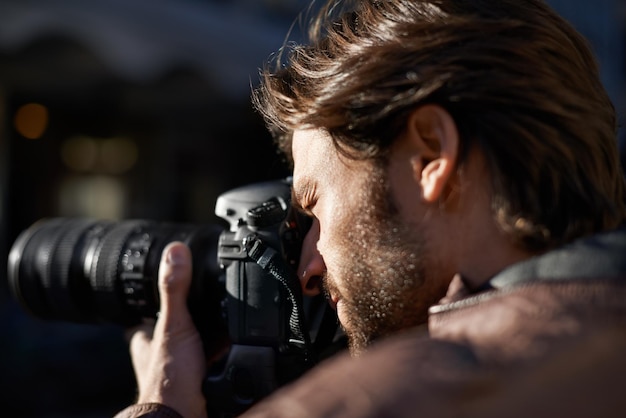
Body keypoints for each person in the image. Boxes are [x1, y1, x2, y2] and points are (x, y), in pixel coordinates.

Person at [115, 0, 626, 417]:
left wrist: (159, 408)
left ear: (430, 156)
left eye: (314, 208)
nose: (307, 268)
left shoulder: (372, 401)